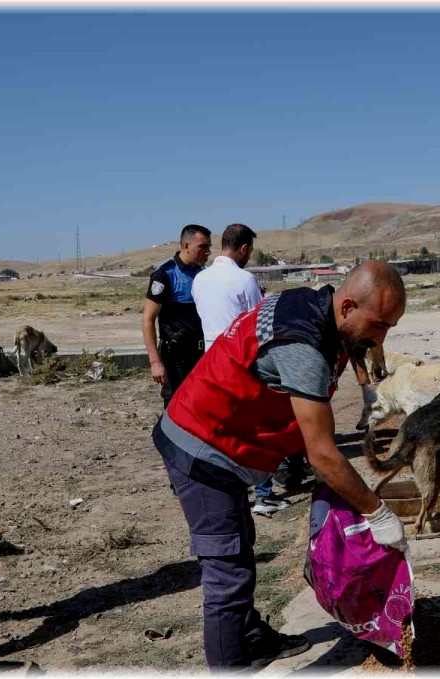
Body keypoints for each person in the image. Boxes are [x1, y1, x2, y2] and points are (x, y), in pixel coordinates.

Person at [153, 260, 408, 671]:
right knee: (227, 573)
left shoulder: (314, 306)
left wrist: (364, 385)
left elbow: (347, 346)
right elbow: (322, 454)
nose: (382, 337)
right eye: (379, 325)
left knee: (240, 545)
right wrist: (376, 512)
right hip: (203, 446)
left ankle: (250, 636)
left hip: (225, 441)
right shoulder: (304, 347)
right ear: (346, 307)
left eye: (390, 326)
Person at [190, 223, 289, 516]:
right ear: (244, 249)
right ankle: (264, 493)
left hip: (210, 362)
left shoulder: (200, 280)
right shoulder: (244, 280)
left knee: (222, 430)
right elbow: (260, 324)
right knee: (256, 429)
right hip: (242, 363)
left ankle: (231, 493)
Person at [143, 224, 213, 406]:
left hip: (201, 354)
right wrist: (155, 362)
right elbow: (148, 319)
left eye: (209, 247)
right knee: (175, 406)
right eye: (203, 247)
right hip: (176, 357)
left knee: (201, 404)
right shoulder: (165, 274)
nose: (208, 252)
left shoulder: (203, 274)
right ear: (186, 245)